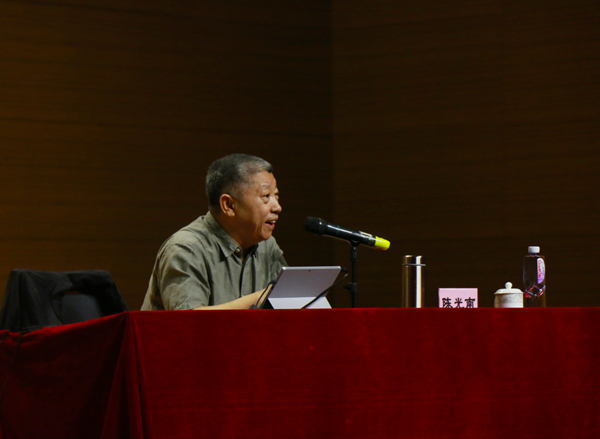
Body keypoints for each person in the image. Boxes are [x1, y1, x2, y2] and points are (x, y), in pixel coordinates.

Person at [141, 154, 286, 310]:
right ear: (228, 205)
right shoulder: (186, 248)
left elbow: (289, 306)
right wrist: (260, 298)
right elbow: (188, 319)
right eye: (266, 196)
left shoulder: (267, 246)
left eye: (276, 195)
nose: (277, 207)